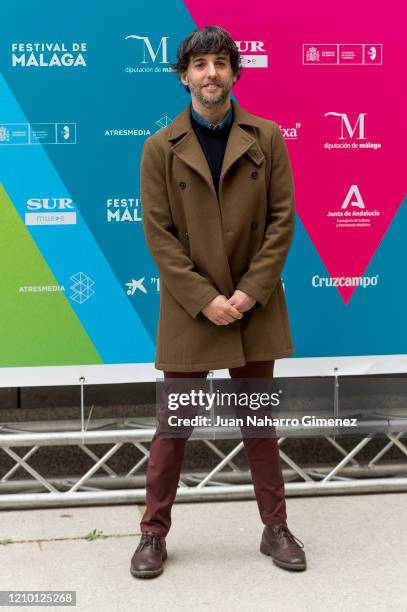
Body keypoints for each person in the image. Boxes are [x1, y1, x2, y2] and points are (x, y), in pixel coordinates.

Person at [130, 25, 306, 579]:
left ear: (234, 72)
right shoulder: (160, 147)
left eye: (220, 64)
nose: (211, 74)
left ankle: (274, 527)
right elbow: (158, 235)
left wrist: (249, 292)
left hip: (252, 302)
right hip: (192, 307)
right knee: (172, 425)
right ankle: (152, 535)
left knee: (258, 423)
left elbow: (281, 222)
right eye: (200, 65)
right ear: (183, 76)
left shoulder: (268, 136)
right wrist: (206, 299)